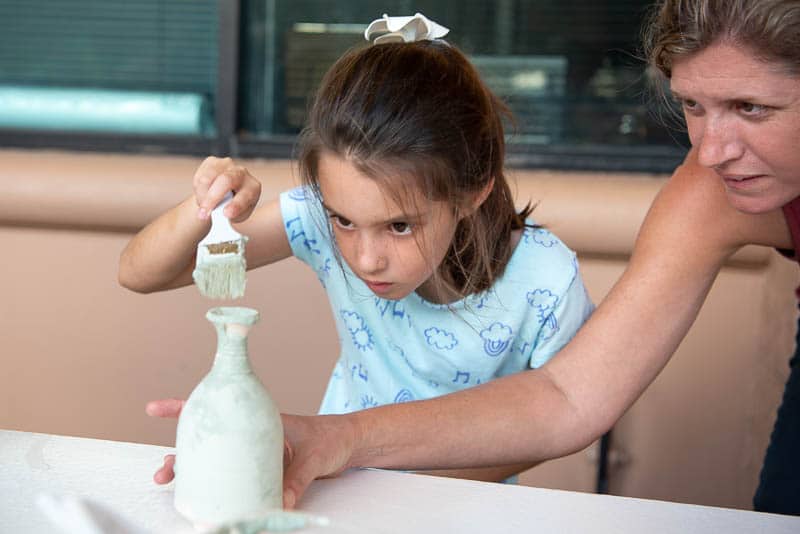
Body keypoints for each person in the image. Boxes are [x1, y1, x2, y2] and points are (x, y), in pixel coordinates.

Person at [148, 0, 800, 514]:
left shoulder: (541, 274)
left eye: (753, 108)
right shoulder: (713, 194)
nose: (712, 151)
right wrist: (333, 441)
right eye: (692, 105)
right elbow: (567, 395)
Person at [120, 17, 594, 487]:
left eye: (400, 226)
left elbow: (552, 426)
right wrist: (207, 203)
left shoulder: (546, 281)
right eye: (344, 219)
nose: (366, 259)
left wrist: (384, 487)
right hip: (331, 485)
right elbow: (141, 273)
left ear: (472, 192)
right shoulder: (314, 220)